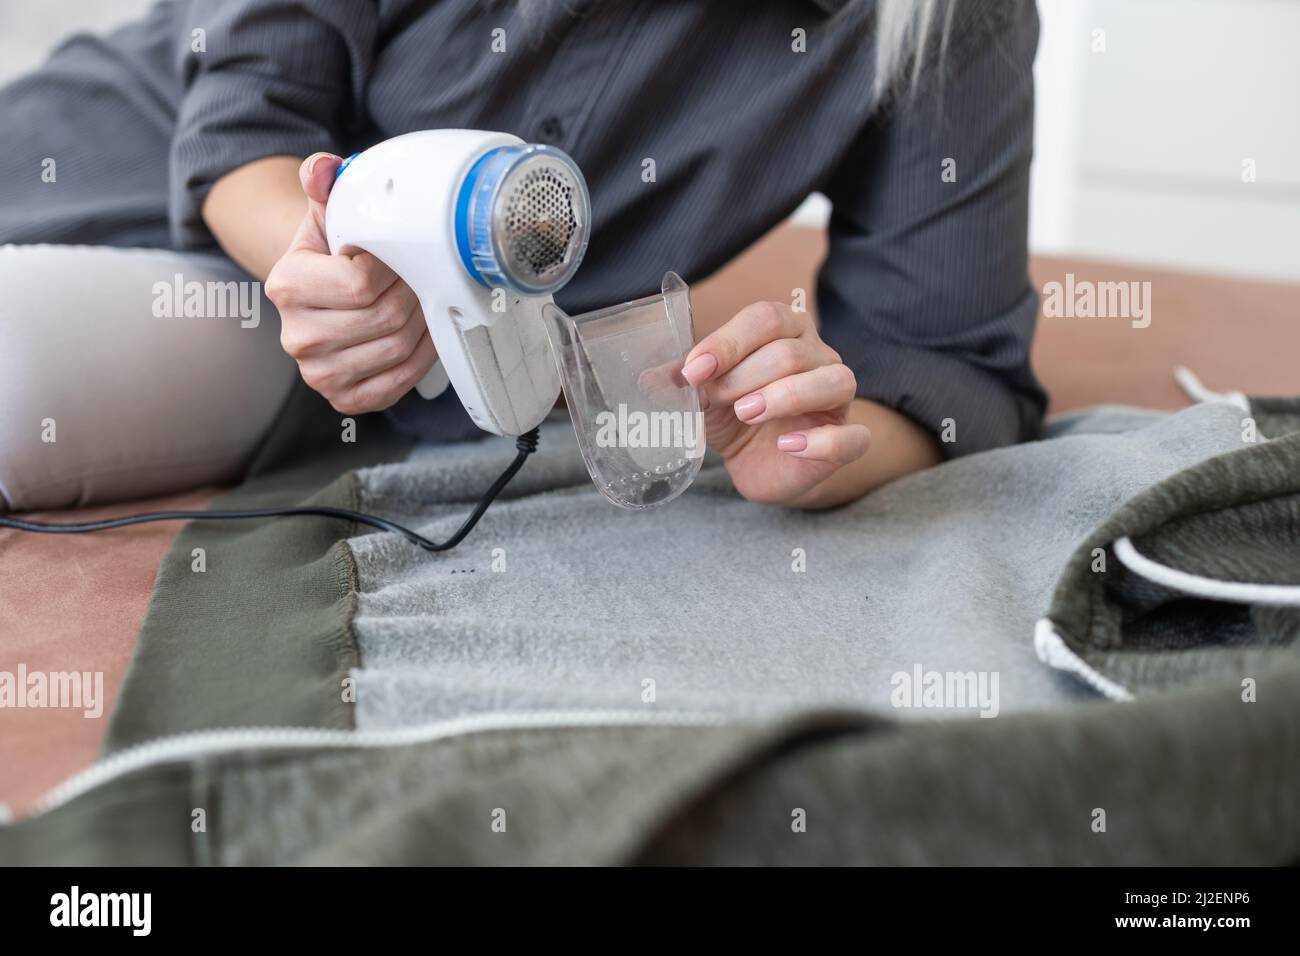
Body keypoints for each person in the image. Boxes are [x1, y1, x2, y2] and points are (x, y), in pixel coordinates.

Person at [0, 0, 1045, 512]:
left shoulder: (951, 24)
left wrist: (807, 445)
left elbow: (951, 371)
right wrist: (341, 272)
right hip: (135, 170)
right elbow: (242, 129)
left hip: (356, 367)